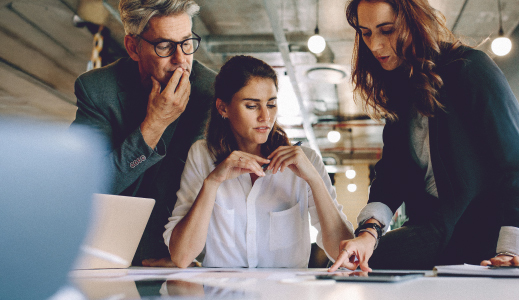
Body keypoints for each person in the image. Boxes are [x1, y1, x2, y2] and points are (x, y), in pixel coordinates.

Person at [329, 0, 519, 272]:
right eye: (366, 32)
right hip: (434, 226)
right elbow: (392, 177)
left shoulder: (470, 68)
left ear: (414, 23)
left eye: (387, 30)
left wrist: (510, 249)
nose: (375, 45)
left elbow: (514, 162)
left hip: (486, 228)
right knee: (358, 263)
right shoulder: (399, 88)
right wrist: (367, 234)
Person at [163, 55, 354, 268]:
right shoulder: (201, 155)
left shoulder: (306, 160)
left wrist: (315, 181)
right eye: (252, 106)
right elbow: (181, 256)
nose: (266, 117)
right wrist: (212, 182)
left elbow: (344, 254)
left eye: (271, 104)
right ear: (223, 108)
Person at [70, 0, 216, 267]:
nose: (181, 59)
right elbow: (85, 186)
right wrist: (154, 126)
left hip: (183, 256)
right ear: (133, 47)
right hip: (108, 252)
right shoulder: (97, 90)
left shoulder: (212, 93)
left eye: (186, 42)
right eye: (164, 46)